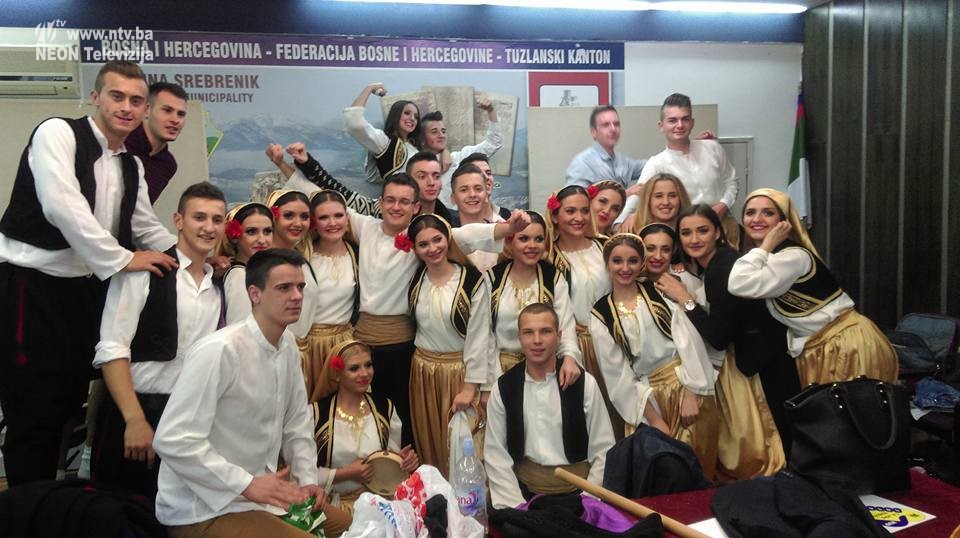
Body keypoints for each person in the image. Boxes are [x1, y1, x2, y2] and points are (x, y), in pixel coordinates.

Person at [0, 60, 177, 486]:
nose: (126, 107)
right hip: (30, 286)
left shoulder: (132, 165)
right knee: (33, 404)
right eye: (117, 96)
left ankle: (58, 498)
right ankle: (26, 506)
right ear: (95, 97)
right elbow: (62, 206)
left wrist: (192, 256)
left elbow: (145, 226)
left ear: (144, 110)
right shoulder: (57, 133)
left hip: (84, 291)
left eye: (136, 100)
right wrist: (122, 259)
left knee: (70, 399)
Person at [153, 249, 328, 537]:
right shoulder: (220, 350)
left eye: (300, 287)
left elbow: (296, 422)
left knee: (359, 526)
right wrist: (247, 484)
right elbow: (173, 438)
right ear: (254, 293)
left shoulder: (287, 345)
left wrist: (307, 479)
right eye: (284, 288)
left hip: (263, 498)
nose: (297, 296)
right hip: (202, 509)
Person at [91, 182, 226, 499]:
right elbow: (112, 348)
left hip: (189, 417)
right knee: (121, 506)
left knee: (177, 509)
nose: (208, 227)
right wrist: (134, 419)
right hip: (137, 409)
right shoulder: (144, 271)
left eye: (217, 220)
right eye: (199, 217)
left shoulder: (219, 285)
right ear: (179, 220)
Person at [655, 204, 796, 480]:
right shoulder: (716, 263)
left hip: (763, 368)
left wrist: (684, 298)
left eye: (702, 231)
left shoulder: (723, 268)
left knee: (767, 448)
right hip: (760, 360)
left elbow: (718, 337)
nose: (694, 239)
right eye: (686, 233)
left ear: (718, 232)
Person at [728, 188, 898, 385]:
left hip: (846, 345)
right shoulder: (770, 256)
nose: (757, 219)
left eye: (768, 213)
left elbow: (738, 283)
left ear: (783, 222)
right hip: (824, 345)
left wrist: (766, 245)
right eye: (750, 213)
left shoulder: (792, 256)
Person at [589, 231, 720, 480]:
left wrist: (692, 391)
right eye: (617, 261)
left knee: (699, 469)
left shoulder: (658, 291)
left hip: (686, 385)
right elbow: (617, 375)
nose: (625, 268)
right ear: (607, 264)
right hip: (646, 400)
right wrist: (655, 420)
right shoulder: (601, 314)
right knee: (661, 474)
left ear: (642, 263)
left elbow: (688, 340)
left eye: (633, 261)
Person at [484, 303, 615, 509]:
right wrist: (518, 509)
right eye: (528, 332)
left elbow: (604, 450)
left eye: (545, 331)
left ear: (559, 336)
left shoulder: (585, 384)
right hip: (525, 496)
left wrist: (588, 502)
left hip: (579, 496)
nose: (537, 340)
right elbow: (496, 456)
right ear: (519, 338)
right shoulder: (503, 388)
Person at [406, 213, 492, 477]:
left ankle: (466, 499)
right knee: (430, 444)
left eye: (437, 240)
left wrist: (471, 387)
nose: (432, 248)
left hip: (459, 373)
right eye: (423, 244)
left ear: (448, 239)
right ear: (415, 249)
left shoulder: (471, 281)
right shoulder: (416, 279)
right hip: (423, 373)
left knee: (461, 447)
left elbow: (480, 337)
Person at [311, 340, 418, 537]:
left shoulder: (385, 408)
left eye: (368, 365)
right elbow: (302, 476)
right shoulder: (317, 415)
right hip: (335, 511)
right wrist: (345, 473)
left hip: (379, 509)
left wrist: (404, 462)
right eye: (354, 368)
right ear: (337, 374)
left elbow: (390, 467)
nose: (365, 373)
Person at [544, 185, 622, 439]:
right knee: (586, 415)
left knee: (619, 406)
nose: (579, 217)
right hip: (577, 345)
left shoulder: (605, 247)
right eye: (570, 211)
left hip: (614, 340)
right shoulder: (548, 257)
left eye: (584, 211)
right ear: (555, 215)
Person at [618, 93, 738, 243]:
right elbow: (637, 196)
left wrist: (724, 204)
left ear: (692, 123)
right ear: (661, 126)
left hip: (724, 227)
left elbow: (731, 182)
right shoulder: (656, 163)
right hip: (688, 236)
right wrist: (623, 221)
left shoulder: (713, 148)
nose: (680, 125)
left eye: (685, 119)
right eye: (672, 120)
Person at [487, 211, 580, 382]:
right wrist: (494, 379)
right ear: (510, 241)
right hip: (500, 370)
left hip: (546, 370)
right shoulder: (493, 279)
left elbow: (565, 325)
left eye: (539, 239)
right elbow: (485, 334)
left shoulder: (553, 277)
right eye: (524, 239)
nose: (532, 245)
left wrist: (569, 357)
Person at [278, 143, 460, 225]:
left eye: (436, 176)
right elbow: (337, 192)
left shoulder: (453, 220)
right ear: (409, 180)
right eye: (422, 176)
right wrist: (307, 164)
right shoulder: (382, 209)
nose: (431, 182)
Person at [299, 190, 360, 403]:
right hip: (311, 345)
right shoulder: (304, 256)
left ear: (347, 218)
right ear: (314, 222)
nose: (332, 223)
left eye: (338, 215)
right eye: (324, 217)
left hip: (345, 343)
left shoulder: (357, 254)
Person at [418, 98, 502, 203]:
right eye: (434, 132)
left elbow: (493, 143)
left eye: (443, 131)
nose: (441, 135)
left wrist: (491, 110)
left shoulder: (459, 159)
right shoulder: (415, 165)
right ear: (422, 138)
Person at [124, 81, 187, 203]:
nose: (175, 120)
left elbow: (143, 207)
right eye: (167, 110)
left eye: (181, 114)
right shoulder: (118, 143)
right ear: (146, 110)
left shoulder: (167, 165)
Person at [345, 83, 421, 184]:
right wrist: (369, 88)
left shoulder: (414, 147)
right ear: (395, 115)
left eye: (416, 116)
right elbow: (354, 122)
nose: (412, 118)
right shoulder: (385, 142)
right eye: (407, 113)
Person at [216, 202, 274, 324]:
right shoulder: (240, 276)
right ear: (234, 236)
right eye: (251, 232)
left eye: (267, 231)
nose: (262, 240)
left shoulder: (250, 272)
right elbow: (239, 329)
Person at [565, 105, 646, 189]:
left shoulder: (623, 161)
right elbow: (574, 197)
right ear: (593, 132)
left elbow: (651, 164)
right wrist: (626, 194)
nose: (613, 129)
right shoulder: (582, 163)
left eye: (616, 124)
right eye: (606, 125)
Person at [450, 163, 502, 271]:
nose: (472, 194)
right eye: (464, 190)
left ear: (486, 194)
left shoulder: (503, 231)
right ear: (453, 198)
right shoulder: (445, 237)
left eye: (478, 189)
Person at [619, 173, 691, 236]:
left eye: (672, 196)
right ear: (648, 200)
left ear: (681, 198)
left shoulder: (692, 230)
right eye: (658, 196)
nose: (666, 202)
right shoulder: (631, 230)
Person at [460, 152, 512, 221]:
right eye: (479, 173)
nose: (486, 177)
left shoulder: (504, 214)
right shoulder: (454, 219)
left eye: (488, 173)